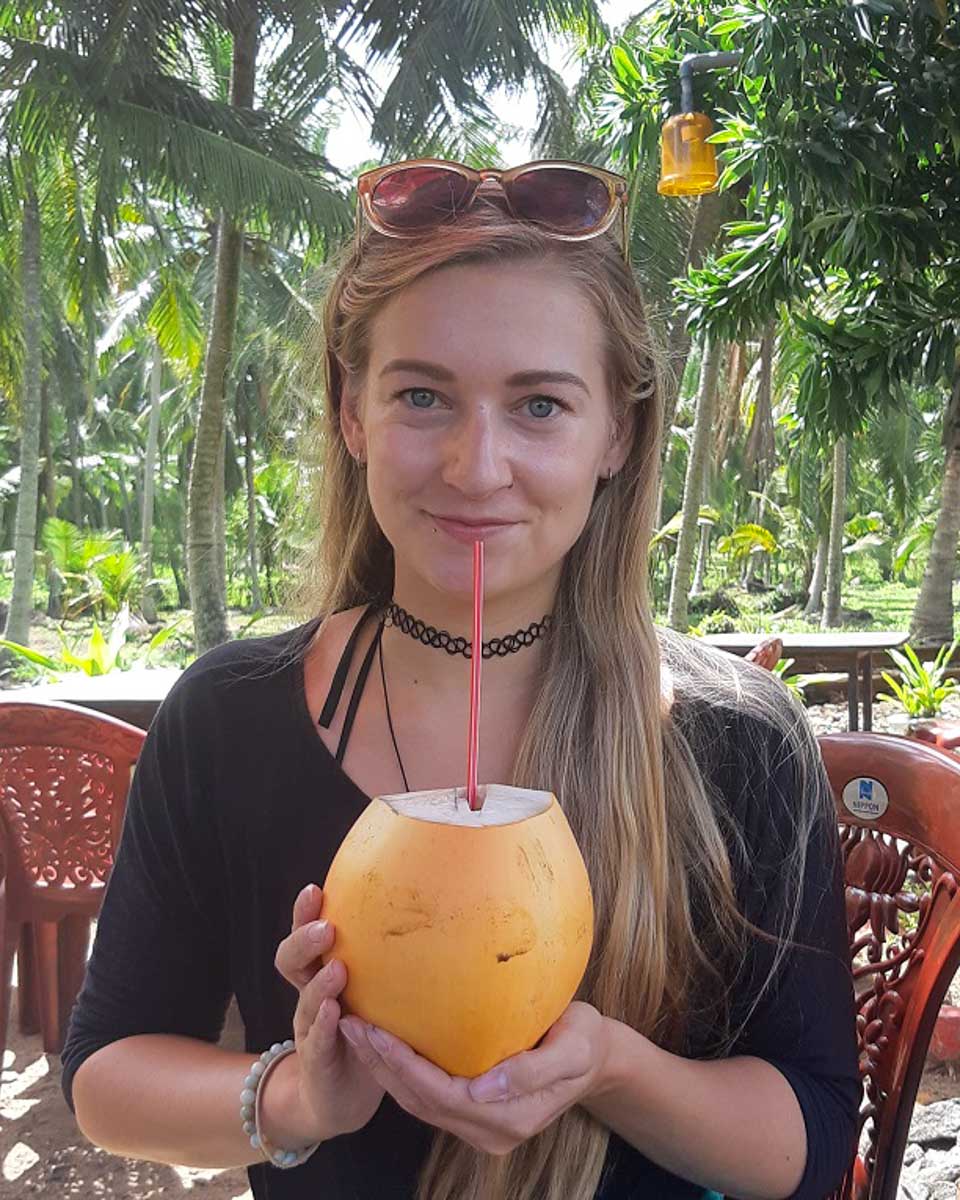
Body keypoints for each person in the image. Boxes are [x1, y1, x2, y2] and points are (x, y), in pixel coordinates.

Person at [62, 158, 860, 1200]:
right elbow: (107, 1077)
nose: (476, 467)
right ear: (353, 414)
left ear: (616, 432)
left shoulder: (737, 739)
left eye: (539, 406)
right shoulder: (228, 720)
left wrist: (609, 1067)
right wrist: (303, 1095)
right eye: (424, 396)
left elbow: (809, 1144)